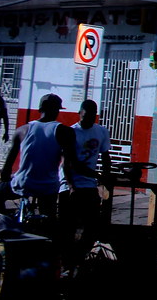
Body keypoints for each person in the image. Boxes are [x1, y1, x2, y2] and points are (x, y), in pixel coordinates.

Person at [1, 94, 77, 224]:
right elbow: (67, 165)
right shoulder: (65, 132)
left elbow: (6, 170)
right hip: (48, 187)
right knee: (50, 219)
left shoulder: (22, 130)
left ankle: (3, 224)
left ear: (40, 109)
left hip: (23, 184)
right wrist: (71, 186)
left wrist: (6, 176)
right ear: (57, 110)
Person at [58, 100, 112, 271]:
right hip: (70, 183)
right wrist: (71, 186)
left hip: (89, 183)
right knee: (68, 227)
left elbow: (105, 156)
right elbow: (68, 163)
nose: (87, 120)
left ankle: (78, 258)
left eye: (90, 116)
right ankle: (66, 263)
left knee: (92, 226)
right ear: (79, 114)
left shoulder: (101, 131)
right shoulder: (72, 132)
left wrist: (104, 180)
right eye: (84, 116)